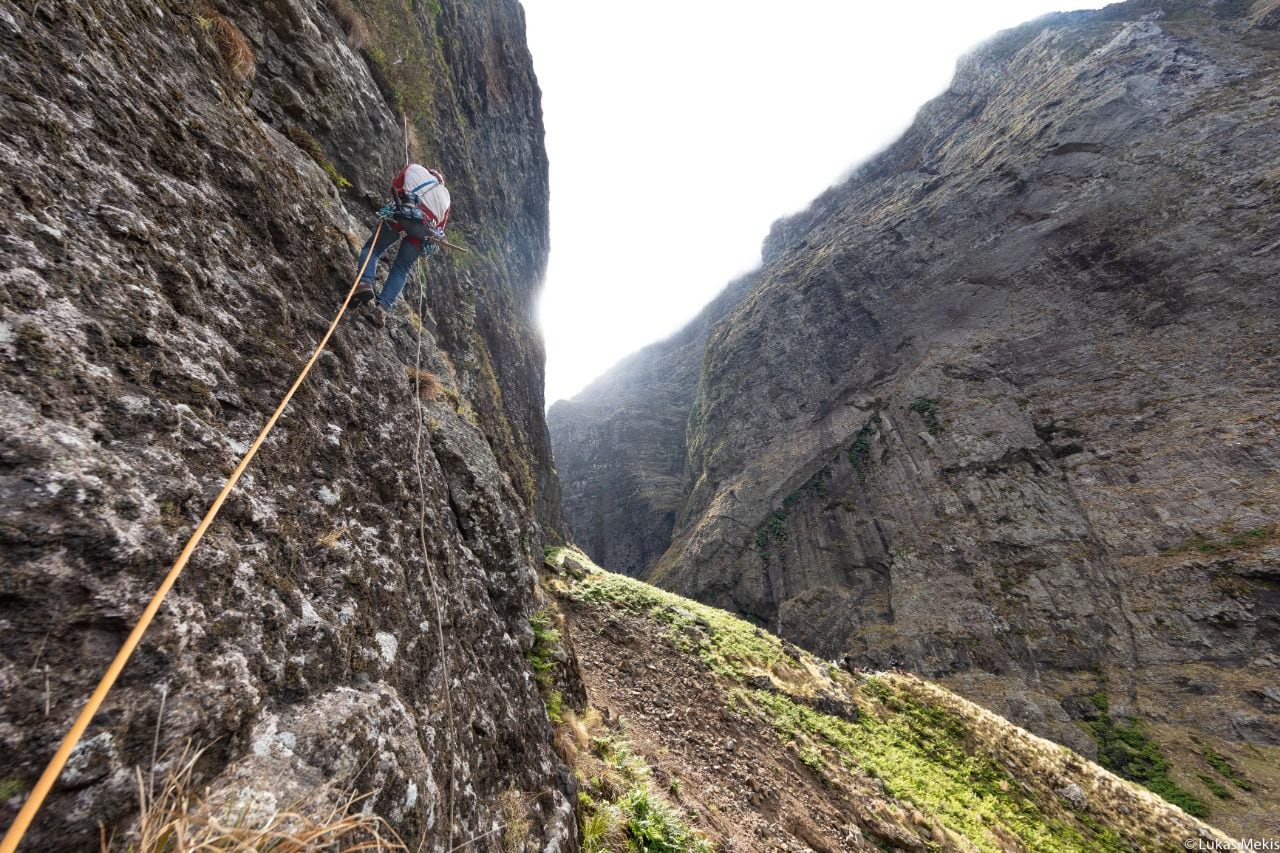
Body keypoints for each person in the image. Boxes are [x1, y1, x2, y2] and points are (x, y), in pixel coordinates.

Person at [352, 163, 451, 328]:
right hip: (425, 229)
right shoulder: (446, 196)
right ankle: (381, 310)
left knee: (374, 249)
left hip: (403, 214)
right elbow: (440, 227)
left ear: (430, 173)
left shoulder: (414, 168)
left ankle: (364, 283)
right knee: (401, 269)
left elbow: (396, 186)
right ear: (441, 182)